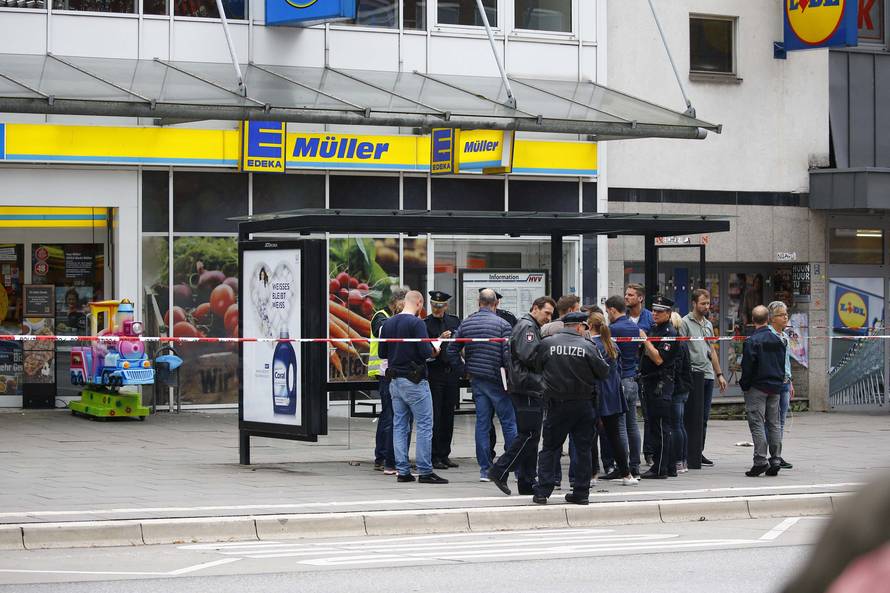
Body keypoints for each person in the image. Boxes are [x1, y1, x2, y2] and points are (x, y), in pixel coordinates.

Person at [532, 311, 609, 505]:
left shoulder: (547, 343)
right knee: (582, 449)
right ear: (579, 326)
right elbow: (603, 371)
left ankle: (543, 491)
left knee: (550, 447)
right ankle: (581, 492)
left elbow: (536, 366)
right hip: (584, 404)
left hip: (556, 404)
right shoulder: (588, 346)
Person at [378, 290, 448, 485]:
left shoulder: (388, 323)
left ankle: (402, 471)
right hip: (415, 381)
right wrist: (435, 349)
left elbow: (383, 352)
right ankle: (425, 471)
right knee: (425, 425)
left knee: (400, 426)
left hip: (394, 381)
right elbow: (425, 351)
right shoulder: (417, 323)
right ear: (419, 303)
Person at [447, 288, 517, 482]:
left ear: (479, 303)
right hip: (498, 381)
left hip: (477, 380)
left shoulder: (467, 323)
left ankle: (485, 470)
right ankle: (515, 468)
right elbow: (508, 356)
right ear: (496, 304)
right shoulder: (503, 324)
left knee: (482, 424)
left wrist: (464, 370)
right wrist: (510, 380)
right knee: (509, 424)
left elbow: (451, 350)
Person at [489, 296, 555, 496]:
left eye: (551, 314)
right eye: (546, 313)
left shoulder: (528, 325)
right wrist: (549, 355)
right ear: (535, 308)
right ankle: (500, 469)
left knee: (531, 437)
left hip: (527, 386)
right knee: (528, 435)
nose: (549, 318)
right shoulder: (527, 327)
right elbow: (530, 356)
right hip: (527, 386)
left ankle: (526, 481)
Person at [679, 289, 727, 467]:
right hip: (693, 374)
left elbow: (711, 349)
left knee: (703, 417)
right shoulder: (684, 322)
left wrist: (719, 374)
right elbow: (682, 349)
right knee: (690, 416)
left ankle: (698, 451)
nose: (706, 307)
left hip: (707, 375)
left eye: (708, 304)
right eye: (703, 303)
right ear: (694, 303)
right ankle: (686, 451)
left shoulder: (708, 324)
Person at [589, 311, 638, 486]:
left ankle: (592, 474)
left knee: (591, 435)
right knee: (615, 435)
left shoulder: (590, 345)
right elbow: (619, 369)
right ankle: (626, 474)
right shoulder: (611, 344)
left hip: (595, 393)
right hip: (612, 394)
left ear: (589, 326)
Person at [739, 304, 785, 477]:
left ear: (752, 321)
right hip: (775, 386)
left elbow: (748, 366)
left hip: (757, 387)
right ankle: (776, 459)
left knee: (757, 423)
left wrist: (745, 385)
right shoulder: (778, 340)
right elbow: (781, 364)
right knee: (773, 423)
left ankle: (760, 461)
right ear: (768, 319)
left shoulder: (752, 341)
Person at [638, 296, 679, 479]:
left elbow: (659, 359)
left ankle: (660, 468)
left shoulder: (669, 332)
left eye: (659, 311)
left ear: (668, 313)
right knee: (657, 426)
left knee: (661, 428)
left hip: (661, 384)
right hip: (651, 382)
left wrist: (645, 341)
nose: (655, 314)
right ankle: (668, 466)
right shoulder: (656, 329)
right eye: (654, 310)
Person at [424, 290, 463, 470]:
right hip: (435, 373)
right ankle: (434, 455)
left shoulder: (454, 321)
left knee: (448, 415)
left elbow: (460, 344)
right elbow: (424, 348)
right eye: (434, 306)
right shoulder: (425, 323)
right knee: (436, 416)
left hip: (451, 373)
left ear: (446, 306)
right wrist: (439, 340)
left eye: (440, 306)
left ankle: (445, 453)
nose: (437, 309)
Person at [370, 287, 407, 475]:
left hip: (397, 372)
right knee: (389, 416)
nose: (404, 310)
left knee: (395, 416)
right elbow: (382, 332)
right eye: (402, 306)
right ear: (394, 303)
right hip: (384, 374)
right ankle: (382, 457)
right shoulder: (380, 316)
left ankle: (392, 456)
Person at [605, 295, 642, 479]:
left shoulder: (613, 329)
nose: (607, 315)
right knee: (632, 425)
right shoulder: (634, 327)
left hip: (619, 380)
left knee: (620, 426)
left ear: (612, 310)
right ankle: (635, 464)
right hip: (632, 378)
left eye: (607, 312)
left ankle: (623, 466)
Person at [625, 283, 655, 467]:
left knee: (648, 414)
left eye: (630, 295)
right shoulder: (622, 318)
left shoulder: (650, 318)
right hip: (628, 369)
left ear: (640, 298)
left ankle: (649, 452)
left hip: (645, 370)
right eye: (626, 294)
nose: (627, 297)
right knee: (628, 417)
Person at [765, 300, 794, 470]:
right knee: (772, 421)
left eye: (786, 314)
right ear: (772, 318)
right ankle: (769, 454)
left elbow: (786, 362)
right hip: (773, 383)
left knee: (781, 421)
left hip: (784, 382)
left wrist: (790, 381)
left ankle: (777, 454)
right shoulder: (769, 335)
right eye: (782, 315)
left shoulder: (784, 336)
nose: (785, 317)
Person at [670, 312, 693, 474]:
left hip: (677, 388)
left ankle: (679, 460)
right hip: (684, 387)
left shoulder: (675, 342)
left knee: (676, 425)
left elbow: (676, 367)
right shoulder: (682, 341)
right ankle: (683, 460)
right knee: (680, 425)